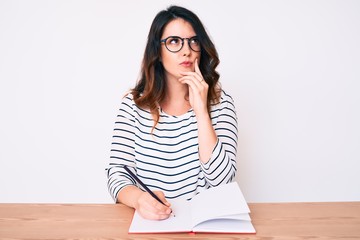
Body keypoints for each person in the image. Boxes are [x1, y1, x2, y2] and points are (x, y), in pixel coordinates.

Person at [106, 5, 238, 220]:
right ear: (157, 52)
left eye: (193, 41)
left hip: (203, 226)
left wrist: (202, 113)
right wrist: (139, 199)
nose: (186, 50)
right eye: (174, 41)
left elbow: (223, 183)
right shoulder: (133, 105)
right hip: (151, 225)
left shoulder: (220, 102)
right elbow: (117, 174)